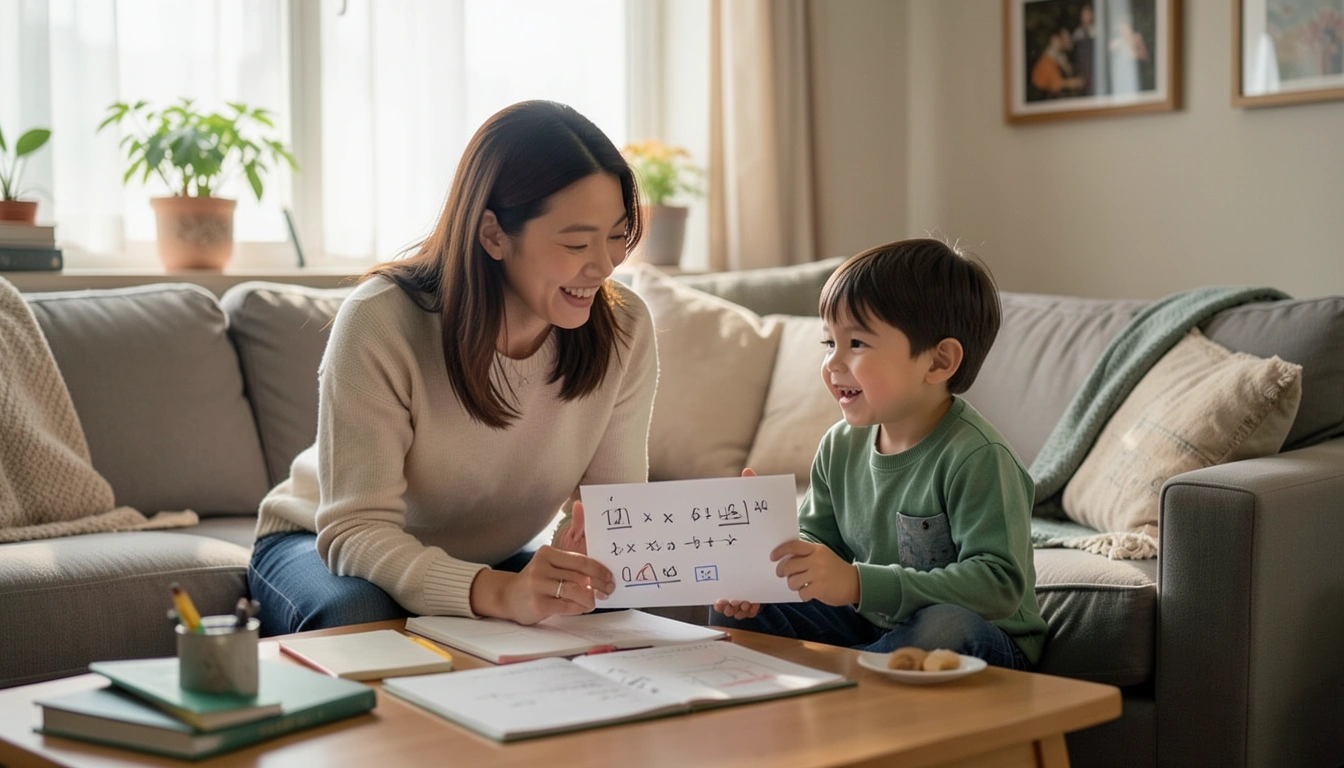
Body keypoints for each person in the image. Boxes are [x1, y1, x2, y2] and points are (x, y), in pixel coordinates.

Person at [247, 100, 658, 635]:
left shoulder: (624, 327)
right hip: (319, 544)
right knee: (361, 616)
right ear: (492, 234)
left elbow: (612, 514)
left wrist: (570, 563)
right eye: (577, 242)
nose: (603, 265)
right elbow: (355, 529)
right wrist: (496, 592)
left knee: (603, 605)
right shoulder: (381, 322)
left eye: (616, 236)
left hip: (486, 559)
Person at [710, 238, 1047, 670]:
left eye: (857, 344)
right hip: (876, 626)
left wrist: (857, 582)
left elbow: (998, 586)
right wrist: (766, 556)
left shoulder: (977, 456)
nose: (833, 364)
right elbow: (819, 544)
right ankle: (861, 673)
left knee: (943, 629)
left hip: (989, 637)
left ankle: (846, 682)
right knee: (736, 614)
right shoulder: (838, 446)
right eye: (828, 343)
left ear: (938, 362)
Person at [1030, 29, 1085, 97]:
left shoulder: (1060, 56)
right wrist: (1075, 83)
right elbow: (1056, 84)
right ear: (1054, 40)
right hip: (1042, 96)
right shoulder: (1047, 60)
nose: (1067, 41)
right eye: (1063, 38)